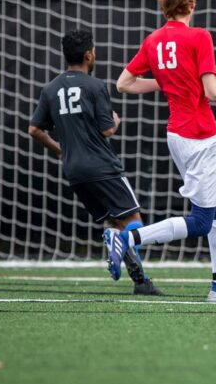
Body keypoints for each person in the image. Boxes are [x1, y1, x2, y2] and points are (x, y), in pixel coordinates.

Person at [108, 0, 216, 304]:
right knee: (202, 221)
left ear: (165, 7)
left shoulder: (153, 40)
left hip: (178, 133)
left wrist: (168, 81)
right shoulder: (199, 36)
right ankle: (129, 240)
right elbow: (214, 92)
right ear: (191, 5)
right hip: (198, 134)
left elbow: (123, 83)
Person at [28, 29, 162, 296]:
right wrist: (116, 123)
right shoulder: (95, 86)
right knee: (135, 223)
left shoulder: (51, 88)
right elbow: (106, 130)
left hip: (74, 171)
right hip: (103, 166)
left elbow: (34, 129)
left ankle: (141, 282)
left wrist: (58, 150)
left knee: (116, 221)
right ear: (89, 55)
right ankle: (118, 244)